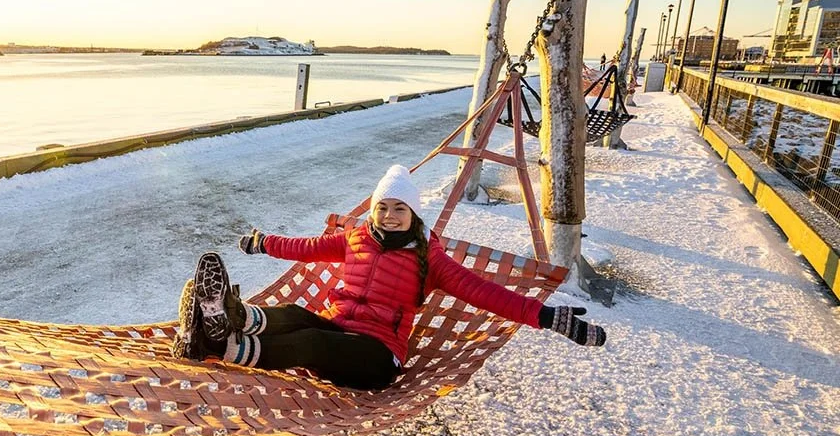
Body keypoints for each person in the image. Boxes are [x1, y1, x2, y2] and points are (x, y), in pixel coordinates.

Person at [173, 165, 605, 390]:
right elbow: (306, 249)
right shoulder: (357, 238)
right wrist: (264, 242)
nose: (390, 215)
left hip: (377, 357)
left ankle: (223, 346)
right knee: (294, 313)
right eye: (383, 207)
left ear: (414, 213)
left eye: (400, 209)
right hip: (339, 329)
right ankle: (226, 316)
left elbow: (483, 292)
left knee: (312, 341)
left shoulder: (428, 258)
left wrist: (547, 317)